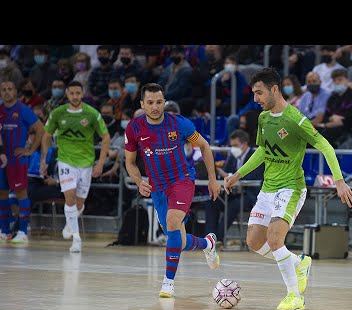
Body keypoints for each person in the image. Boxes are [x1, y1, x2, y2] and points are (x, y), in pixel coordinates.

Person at [224, 68, 352, 310]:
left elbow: (325, 146)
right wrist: (238, 174)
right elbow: (263, 150)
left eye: (259, 93)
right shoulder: (263, 118)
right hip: (267, 188)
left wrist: (339, 180)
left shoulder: (295, 119)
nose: (256, 99)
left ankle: (295, 296)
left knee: (275, 240)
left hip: (291, 188)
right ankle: (299, 262)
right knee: (253, 241)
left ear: (275, 89)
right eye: (254, 94)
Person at [124, 83, 222, 298]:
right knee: (178, 238)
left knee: (172, 222)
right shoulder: (134, 128)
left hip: (182, 181)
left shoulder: (179, 124)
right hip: (157, 187)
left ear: (164, 102)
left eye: (159, 102)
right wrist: (139, 181)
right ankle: (208, 243)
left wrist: (213, 180)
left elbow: (204, 146)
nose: (155, 107)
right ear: (142, 104)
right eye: (150, 103)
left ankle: (167, 282)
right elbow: (129, 162)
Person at [40, 80, 111, 253]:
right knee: (69, 197)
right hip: (66, 160)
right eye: (71, 93)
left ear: (82, 93)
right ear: (67, 93)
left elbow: (106, 137)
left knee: (79, 203)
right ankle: (77, 239)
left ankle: (69, 223)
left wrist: (100, 163)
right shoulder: (58, 113)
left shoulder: (91, 113)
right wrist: (44, 160)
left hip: (86, 162)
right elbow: (46, 136)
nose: (75, 96)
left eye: (78, 93)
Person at [0, 80, 44, 243]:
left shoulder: (24, 110)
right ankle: (4, 231)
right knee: (1, 194)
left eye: (10, 89)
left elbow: (40, 130)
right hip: (1, 159)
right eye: (3, 89)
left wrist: (30, 150)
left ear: (15, 92)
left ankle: (23, 232)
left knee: (21, 193)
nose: (6, 92)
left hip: (18, 159)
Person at [205, 129, 264, 244]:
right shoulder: (232, 156)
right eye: (231, 146)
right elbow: (227, 173)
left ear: (244, 144)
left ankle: (219, 238)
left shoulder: (255, 155)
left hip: (250, 194)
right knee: (212, 201)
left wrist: (230, 176)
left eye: (235, 145)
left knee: (234, 205)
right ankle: (209, 239)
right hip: (232, 192)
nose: (233, 149)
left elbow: (252, 178)